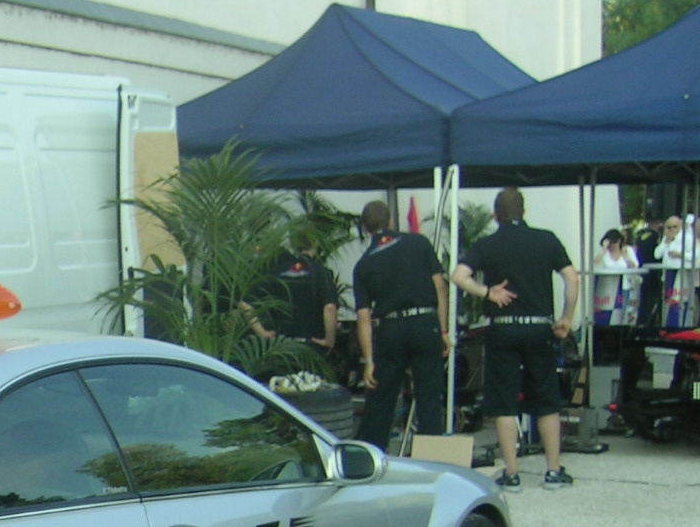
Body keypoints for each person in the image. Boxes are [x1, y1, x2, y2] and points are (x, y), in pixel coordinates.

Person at [452, 187, 579, 491]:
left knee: (504, 400)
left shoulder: (487, 244)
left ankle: (512, 473)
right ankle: (552, 470)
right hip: (539, 328)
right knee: (547, 398)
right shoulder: (546, 239)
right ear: (524, 212)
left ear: (495, 215)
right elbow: (572, 278)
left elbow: (458, 275)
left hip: (503, 327)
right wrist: (566, 318)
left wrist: (487, 292)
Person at [352, 199, 449, 449]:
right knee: (429, 396)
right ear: (391, 221)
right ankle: (431, 460)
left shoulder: (364, 264)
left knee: (382, 399)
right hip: (425, 323)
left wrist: (369, 361)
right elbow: (440, 286)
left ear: (365, 228)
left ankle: (372, 455)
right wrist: (444, 330)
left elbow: (363, 317)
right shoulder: (419, 243)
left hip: (391, 329)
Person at [245, 242, 339, 355]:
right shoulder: (320, 271)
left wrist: (261, 332)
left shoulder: (273, 271)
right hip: (311, 346)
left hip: (279, 346)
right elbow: (329, 307)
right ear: (315, 243)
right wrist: (329, 340)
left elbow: (245, 303)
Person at [654, 214, 697, 328]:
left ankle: (679, 326)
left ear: (680, 226)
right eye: (669, 227)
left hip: (682, 273)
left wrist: (680, 255)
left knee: (680, 300)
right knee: (668, 300)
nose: (672, 230)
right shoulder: (666, 238)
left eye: (674, 227)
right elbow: (657, 254)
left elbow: (695, 255)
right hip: (668, 272)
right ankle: (668, 326)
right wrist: (665, 242)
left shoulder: (687, 238)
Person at [592, 228, 639, 326]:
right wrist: (604, 249)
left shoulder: (627, 250)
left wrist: (625, 256)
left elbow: (634, 266)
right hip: (608, 289)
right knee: (607, 315)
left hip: (624, 286)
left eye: (613, 242)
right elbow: (595, 263)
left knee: (622, 312)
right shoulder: (605, 254)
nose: (611, 245)